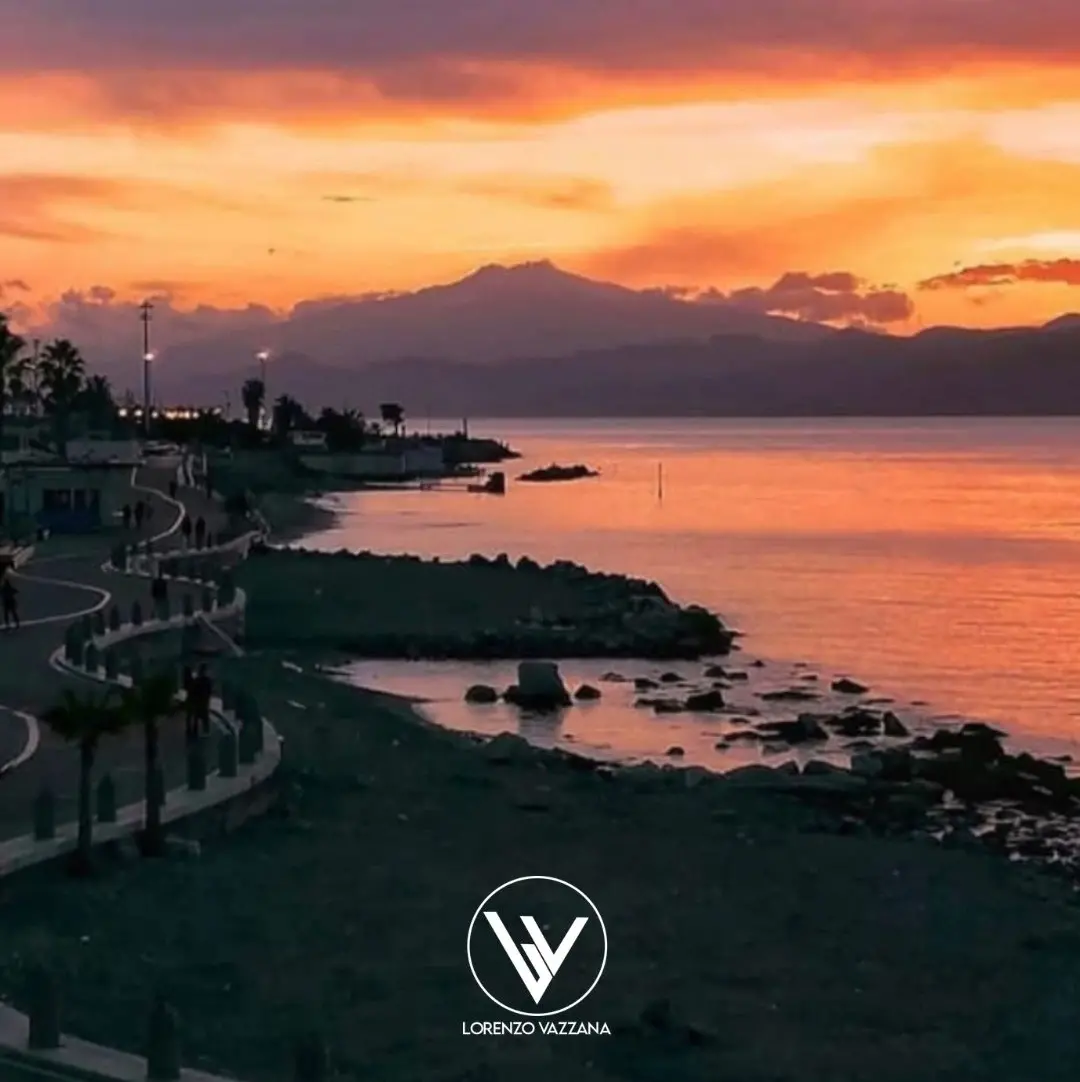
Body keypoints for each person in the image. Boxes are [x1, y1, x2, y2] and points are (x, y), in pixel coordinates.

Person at [194, 664, 213, 736]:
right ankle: (206, 730)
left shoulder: (197, 680)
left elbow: (194, 689)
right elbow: (209, 690)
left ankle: (195, 730)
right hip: (204, 699)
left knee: (197, 715)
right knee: (205, 715)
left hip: (199, 699)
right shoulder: (207, 680)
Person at [181, 665, 196, 743]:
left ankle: (189, 729)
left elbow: (185, 688)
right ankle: (193, 729)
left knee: (189, 715)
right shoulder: (192, 680)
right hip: (193, 698)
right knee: (193, 715)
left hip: (190, 698)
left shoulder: (186, 680)